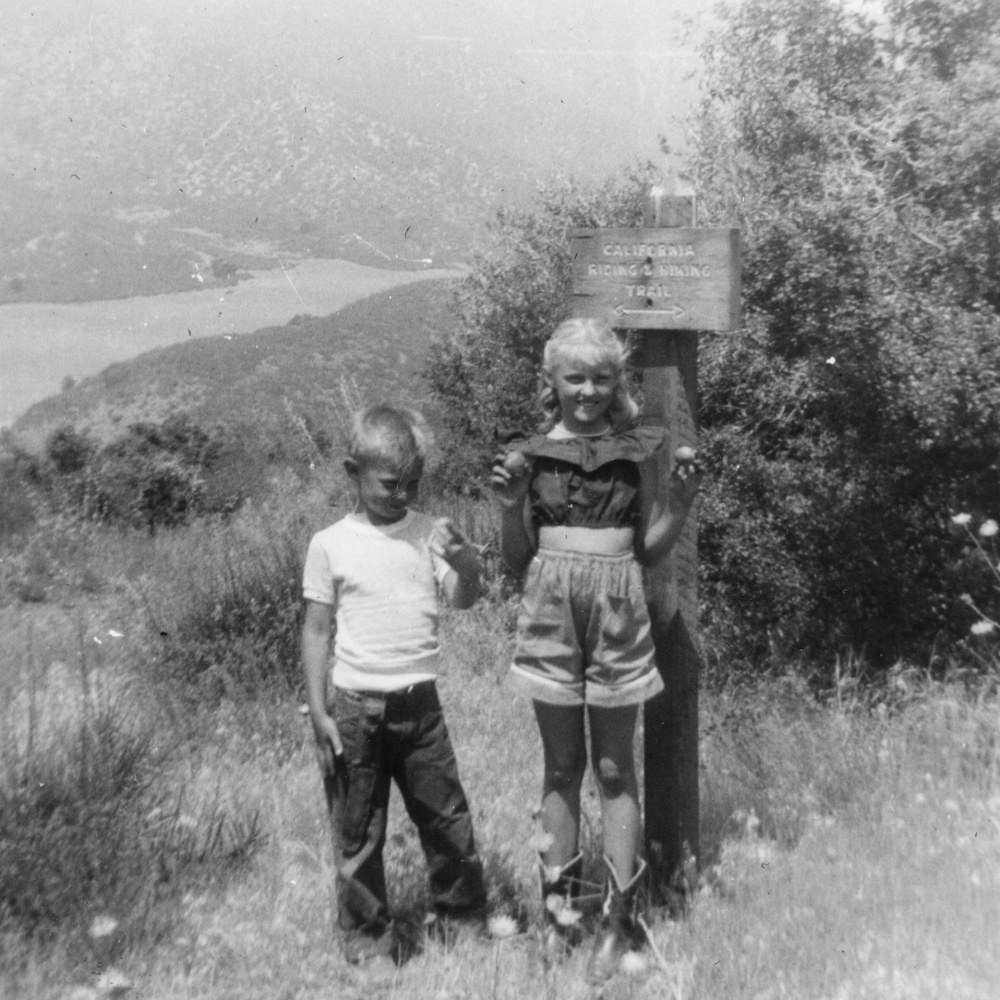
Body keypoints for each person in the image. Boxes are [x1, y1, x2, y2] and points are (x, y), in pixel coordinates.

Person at [490, 317, 701, 983]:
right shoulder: (530, 455)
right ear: (550, 381)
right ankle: (560, 917)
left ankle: (620, 919)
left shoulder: (635, 452)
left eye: (602, 377)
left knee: (614, 770)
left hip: (618, 611)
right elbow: (516, 559)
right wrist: (509, 505)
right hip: (551, 609)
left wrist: (682, 503)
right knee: (561, 768)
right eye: (574, 376)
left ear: (617, 382)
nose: (588, 389)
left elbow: (647, 551)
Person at [302, 404, 487, 968]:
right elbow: (315, 628)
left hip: (420, 707)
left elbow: (464, 597)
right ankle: (367, 940)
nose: (401, 494)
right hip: (357, 711)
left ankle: (465, 926)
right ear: (351, 471)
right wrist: (318, 710)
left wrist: (468, 564)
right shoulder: (329, 543)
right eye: (388, 483)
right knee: (358, 834)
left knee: (447, 821)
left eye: (412, 483)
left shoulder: (430, 533)